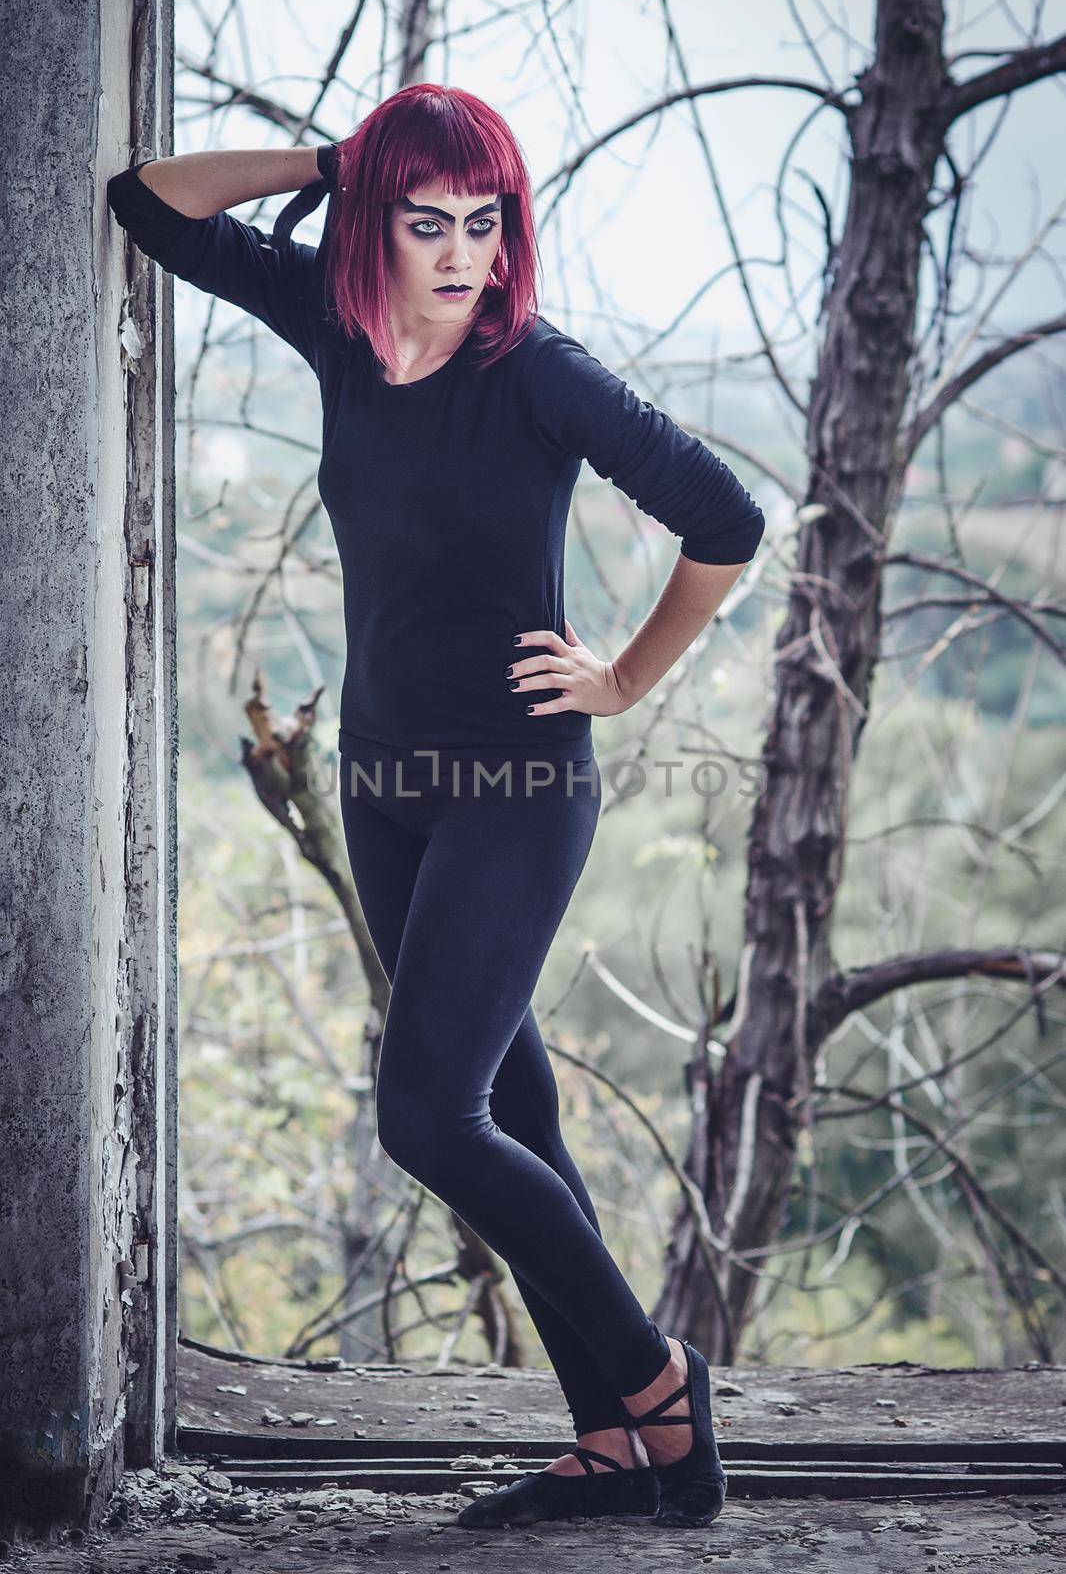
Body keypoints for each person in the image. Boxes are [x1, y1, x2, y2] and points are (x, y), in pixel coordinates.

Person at [106, 81, 764, 1531]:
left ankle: (661, 1387)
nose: (461, 252)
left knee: (430, 1117)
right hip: (385, 778)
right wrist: (338, 158)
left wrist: (626, 679)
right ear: (374, 226)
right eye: (426, 221)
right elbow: (149, 200)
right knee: (510, 1103)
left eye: (484, 221)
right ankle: (617, 1452)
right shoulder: (336, 331)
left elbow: (724, 519)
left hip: (519, 784)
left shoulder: (538, 371)